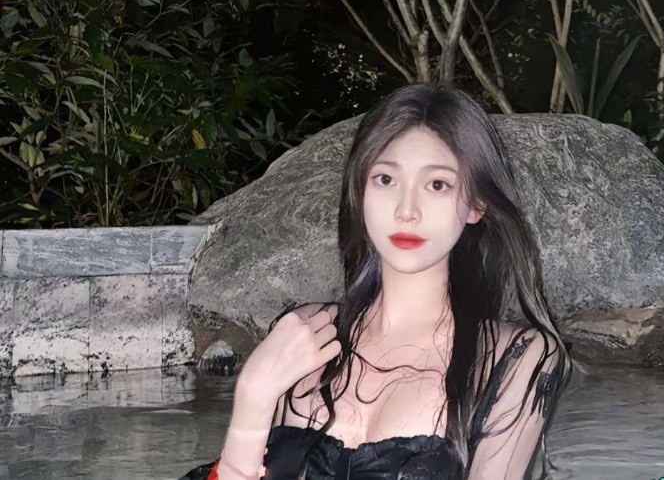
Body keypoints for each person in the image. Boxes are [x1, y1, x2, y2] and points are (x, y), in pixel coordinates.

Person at [178, 82, 573, 480]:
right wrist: (252, 399)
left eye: (437, 184)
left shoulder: (514, 360)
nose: (406, 210)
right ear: (360, 190)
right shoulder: (306, 334)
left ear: (476, 204)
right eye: (385, 179)